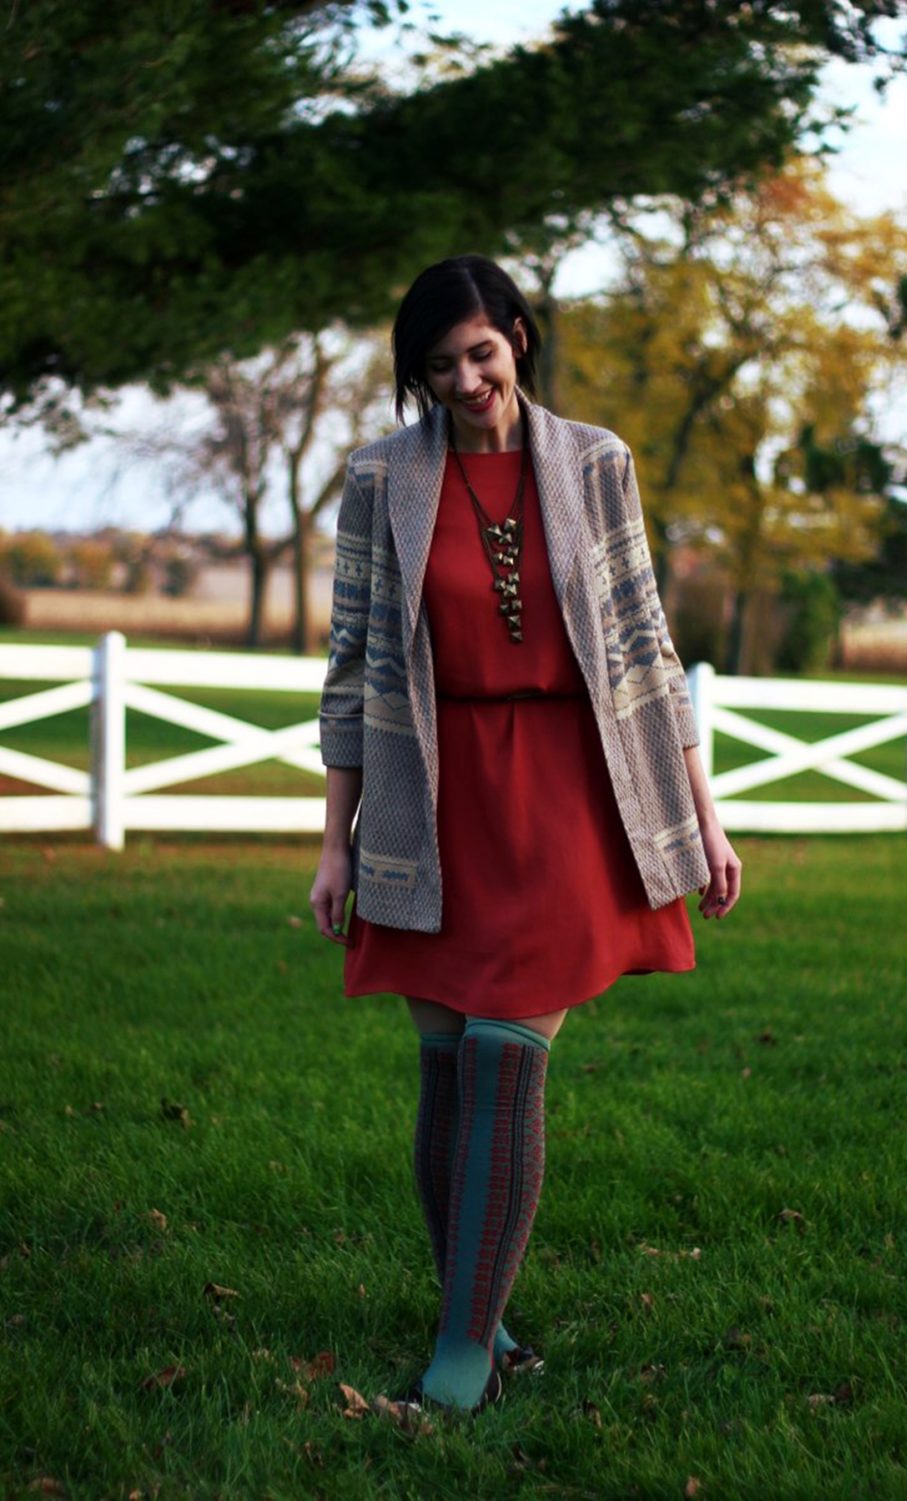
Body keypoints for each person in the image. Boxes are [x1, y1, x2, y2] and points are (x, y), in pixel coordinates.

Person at [310, 254, 741, 1422]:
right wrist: (336, 841)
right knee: (446, 1069)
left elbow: (647, 646)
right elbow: (350, 663)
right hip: (430, 793)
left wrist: (703, 816)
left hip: (565, 790)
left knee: (506, 1054)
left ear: (517, 337)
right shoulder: (379, 478)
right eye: (437, 365)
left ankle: (460, 1363)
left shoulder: (596, 463)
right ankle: (484, 1313)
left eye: (480, 352)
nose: (464, 380)